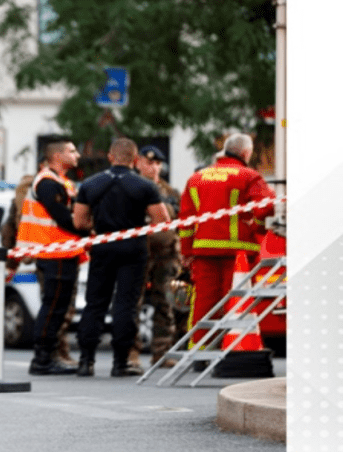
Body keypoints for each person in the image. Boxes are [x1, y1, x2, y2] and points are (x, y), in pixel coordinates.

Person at [73, 138, 170, 377]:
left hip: (102, 246)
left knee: (95, 303)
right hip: (133, 248)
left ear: (110, 157)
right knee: (125, 305)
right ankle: (120, 362)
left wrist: (97, 227)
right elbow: (162, 220)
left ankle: (86, 360)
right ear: (135, 160)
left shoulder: (90, 184)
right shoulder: (145, 186)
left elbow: (79, 221)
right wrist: (141, 227)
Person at [178, 133, 276, 353]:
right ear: (246, 153)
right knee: (235, 302)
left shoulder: (197, 178)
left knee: (203, 302)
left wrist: (186, 252)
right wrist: (256, 226)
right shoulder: (249, 176)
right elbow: (266, 207)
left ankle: (199, 351)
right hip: (238, 253)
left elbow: (185, 220)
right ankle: (232, 349)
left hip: (203, 251)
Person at [15, 140, 86, 376]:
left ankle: (49, 356)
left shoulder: (63, 182)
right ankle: (42, 360)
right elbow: (64, 218)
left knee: (59, 308)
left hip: (64, 252)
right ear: (57, 156)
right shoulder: (47, 182)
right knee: (53, 307)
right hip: (52, 252)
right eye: (72, 151)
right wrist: (89, 230)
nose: (77, 155)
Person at [132, 145, 183, 368]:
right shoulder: (130, 187)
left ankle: (162, 352)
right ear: (138, 163)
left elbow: (181, 221)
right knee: (133, 302)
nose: (153, 167)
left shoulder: (171, 193)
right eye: (149, 162)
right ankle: (131, 353)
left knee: (166, 304)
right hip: (138, 254)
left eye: (157, 163)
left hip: (165, 255)